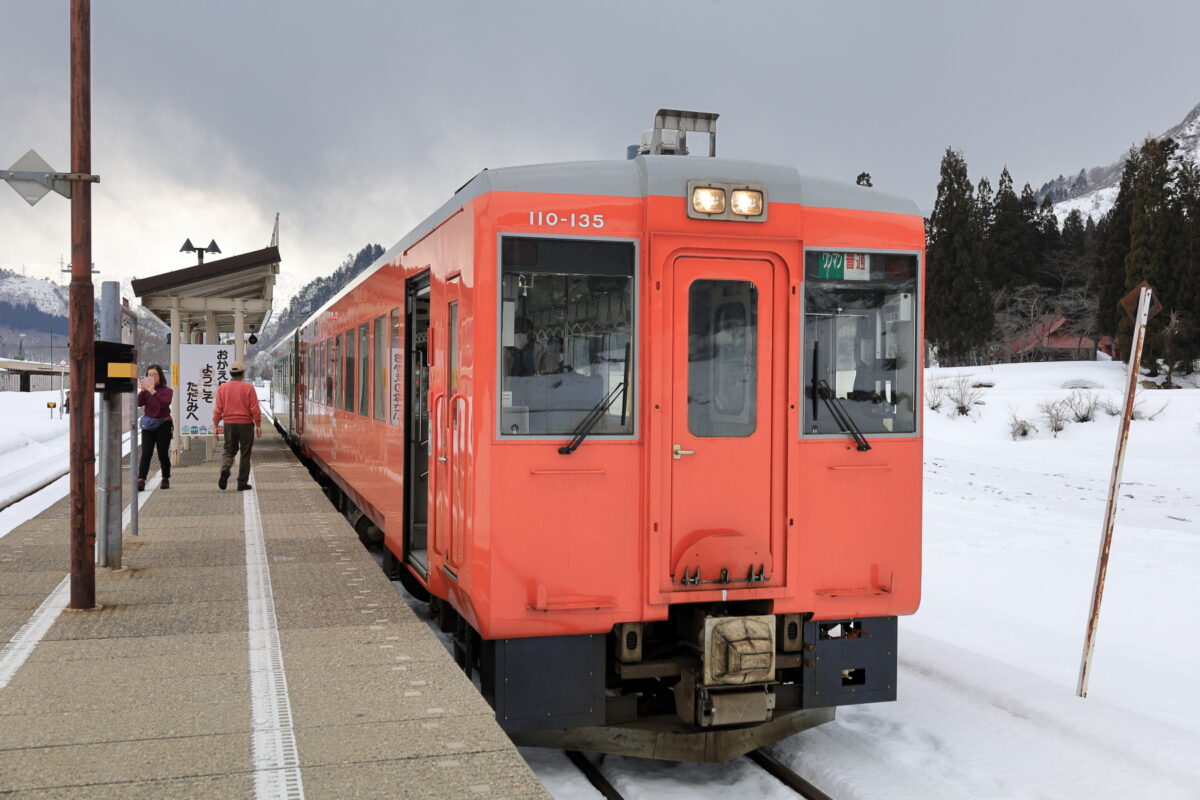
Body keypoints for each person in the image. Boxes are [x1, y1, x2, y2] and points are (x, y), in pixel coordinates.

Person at [213, 361, 262, 491]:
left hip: (229, 424)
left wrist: (215, 426)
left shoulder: (222, 388)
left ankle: (225, 469)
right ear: (242, 374)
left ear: (230, 373)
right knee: (245, 453)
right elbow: (254, 408)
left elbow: (218, 409)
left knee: (229, 450)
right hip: (245, 424)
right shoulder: (249, 388)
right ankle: (242, 483)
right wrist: (258, 424)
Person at [136, 364, 173, 491]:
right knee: (146, 453)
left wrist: (153, 391)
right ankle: (141, 479)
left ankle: (165, 477)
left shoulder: (168, 391)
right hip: (148, 425)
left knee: (163, 453)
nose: (152, 377)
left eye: (154, 374)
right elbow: (138, 403)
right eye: (149, 375)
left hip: (163, 424)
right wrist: (142, 391)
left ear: (160, 376)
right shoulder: (145, 391)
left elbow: (163, 404)